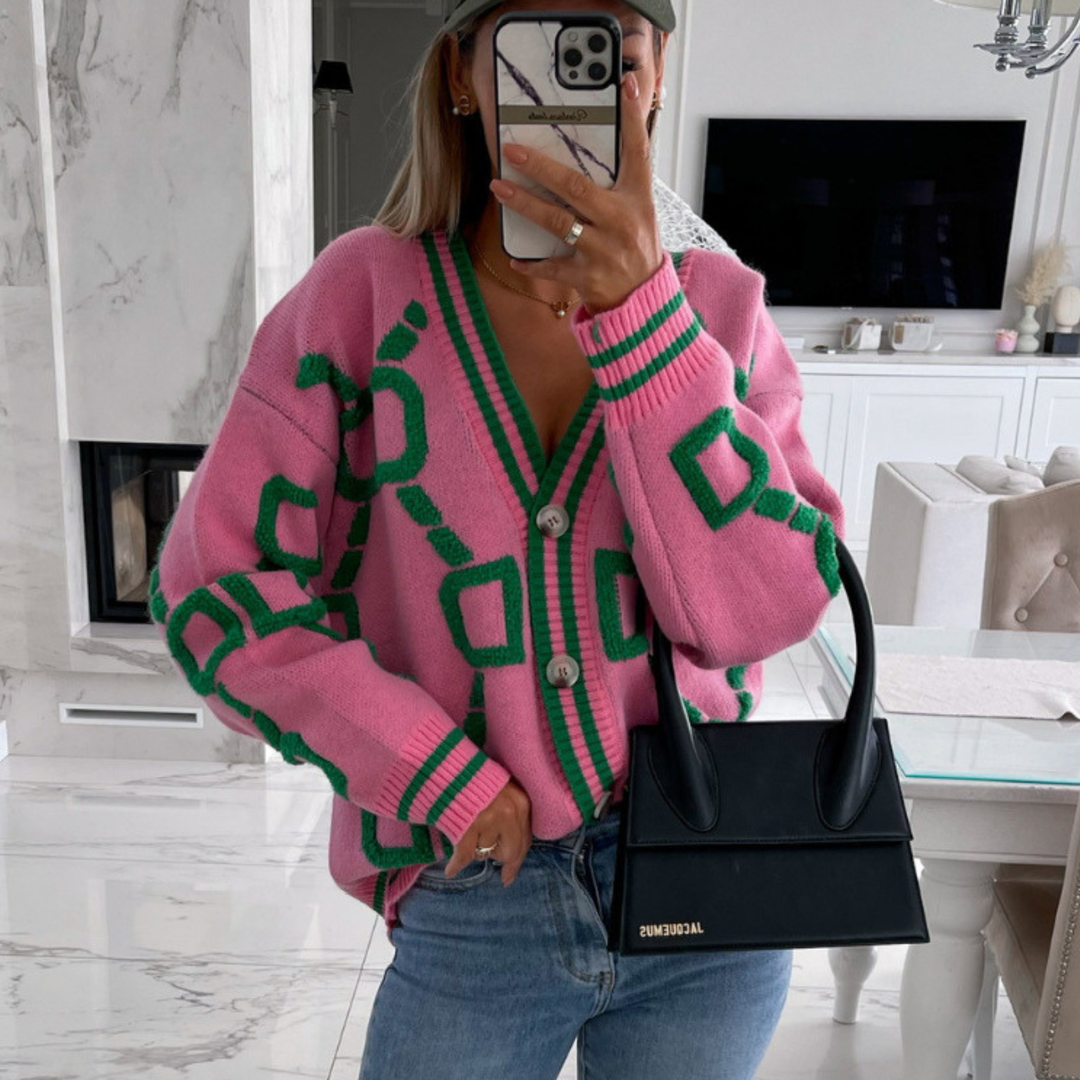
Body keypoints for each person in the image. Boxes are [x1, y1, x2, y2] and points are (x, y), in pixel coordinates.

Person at [149, 0, 846, 1076]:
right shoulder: (359, 299)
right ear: (461, 77)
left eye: (615, 47)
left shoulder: (722, 311)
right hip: (477, 891)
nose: (583, 79)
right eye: (533, 48)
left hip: (708, 888)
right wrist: (429, 772)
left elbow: (770, 607)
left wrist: (645, 321)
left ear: (658, 74)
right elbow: (216, 589)